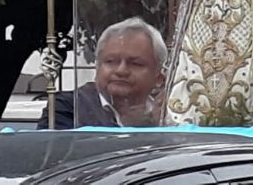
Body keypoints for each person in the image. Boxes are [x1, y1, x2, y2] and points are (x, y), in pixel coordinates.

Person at [37, 17, 167, 129]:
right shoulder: (68, 107)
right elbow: (51, 154)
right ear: (97, 67)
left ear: (159, 78)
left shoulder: (169, 112)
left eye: (135, 64)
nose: (121, 70)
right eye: (111, 61)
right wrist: (137, 128)